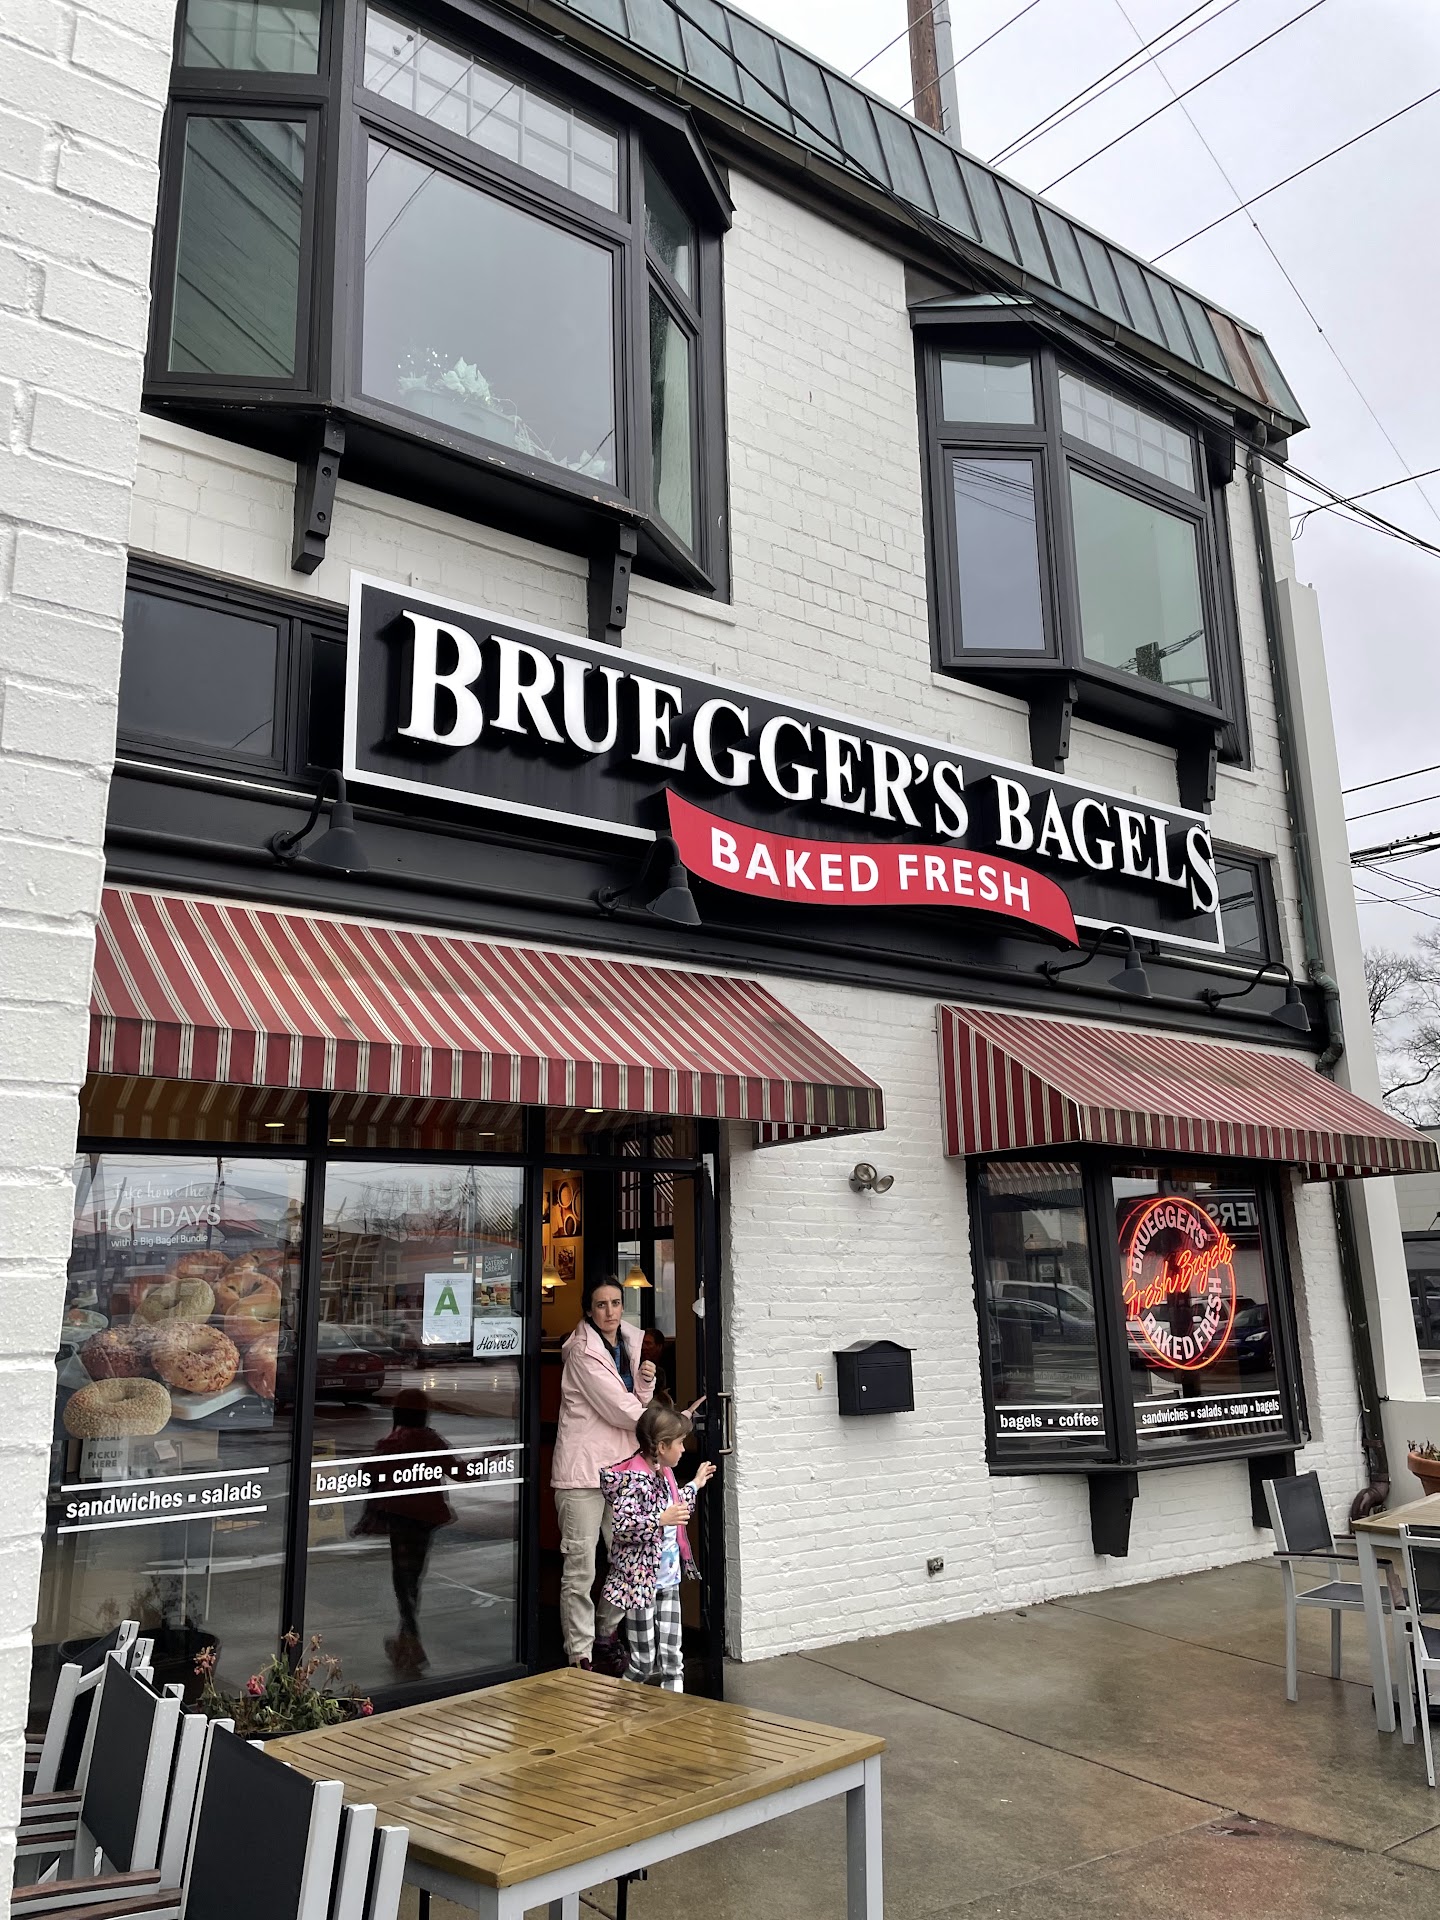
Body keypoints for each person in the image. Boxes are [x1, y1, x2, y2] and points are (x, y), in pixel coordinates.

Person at [552, 1275, 655, 1670]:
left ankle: (606, 1634)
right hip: (582, 1472)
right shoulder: (582, 1351)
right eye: (601, 1304)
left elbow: (632, 1403)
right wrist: (664, 1424)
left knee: (627, 1557)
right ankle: (580, 1654)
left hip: (621, 1467)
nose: (610, 1311)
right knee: (581, 1569)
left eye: (615, 1303)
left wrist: (644, 1384)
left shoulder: (628, 1342)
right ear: (588, 1310)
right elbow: (618, 1409)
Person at [600, 1402, 716, 1692]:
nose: (684, 1449)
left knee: (673, 1661)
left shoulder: (665, 1474)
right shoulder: (635, 1480)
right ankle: (621, 1707)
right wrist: (660, 1520)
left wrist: (695, 1484)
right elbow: (623, 1526)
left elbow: (674, 1508)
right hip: (641, 1585)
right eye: (680, 1443)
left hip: (669, 1581)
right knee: (642, 1663)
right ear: (662, 1446)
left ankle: (672, 1716)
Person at [353, 1388, 453, 1677]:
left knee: (404, 1582)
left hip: (401, 1519)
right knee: (412, 1580)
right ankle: (405, 1642)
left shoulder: (392, 1443)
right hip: (426, 1520)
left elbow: (366, 1474)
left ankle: (411, 1642)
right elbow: (460, 1472)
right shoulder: (432, 1441)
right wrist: (490, 1458)